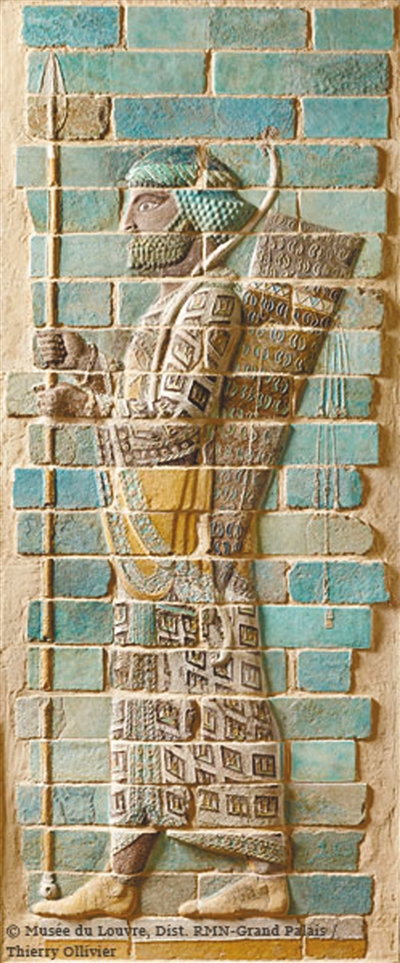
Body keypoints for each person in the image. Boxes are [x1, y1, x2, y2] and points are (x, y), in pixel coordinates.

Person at [31, 146, 307, 921]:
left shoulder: (211, 303)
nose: (126, 221)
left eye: (145, 203)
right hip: (150, 538)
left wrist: (91, 408)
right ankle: (122, 876)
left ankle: (266, 868)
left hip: (192, 542)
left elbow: (182, 419)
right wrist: (89, 363)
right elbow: (141, 393)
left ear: (194, 212)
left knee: (221, 699)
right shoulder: (168, 306)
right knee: (141, 706)